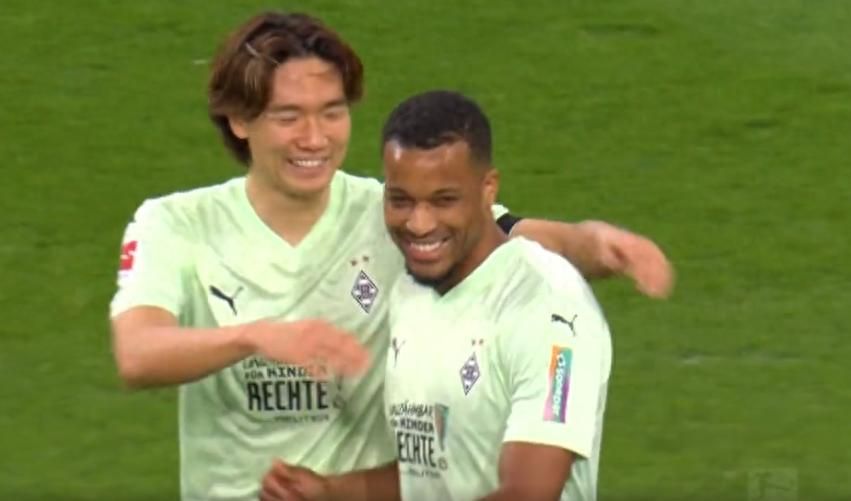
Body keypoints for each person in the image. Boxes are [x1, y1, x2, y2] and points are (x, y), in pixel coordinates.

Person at [110, 11, 671, 501]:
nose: (315, 138)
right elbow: (137, 354)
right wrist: (257, 337)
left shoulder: (391, 212)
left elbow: (505, 232)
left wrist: (595, 245)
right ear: (239, 119)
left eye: (332, 112)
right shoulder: (175, 224)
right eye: (289, 116)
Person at [260, 91, 612, 500]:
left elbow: (528, 493)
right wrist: (328, 491)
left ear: (488, 189)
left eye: (444, 201)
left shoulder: (550, 307)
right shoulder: (412, 291)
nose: (419, 224)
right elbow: (430, 475)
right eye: (401, 200)